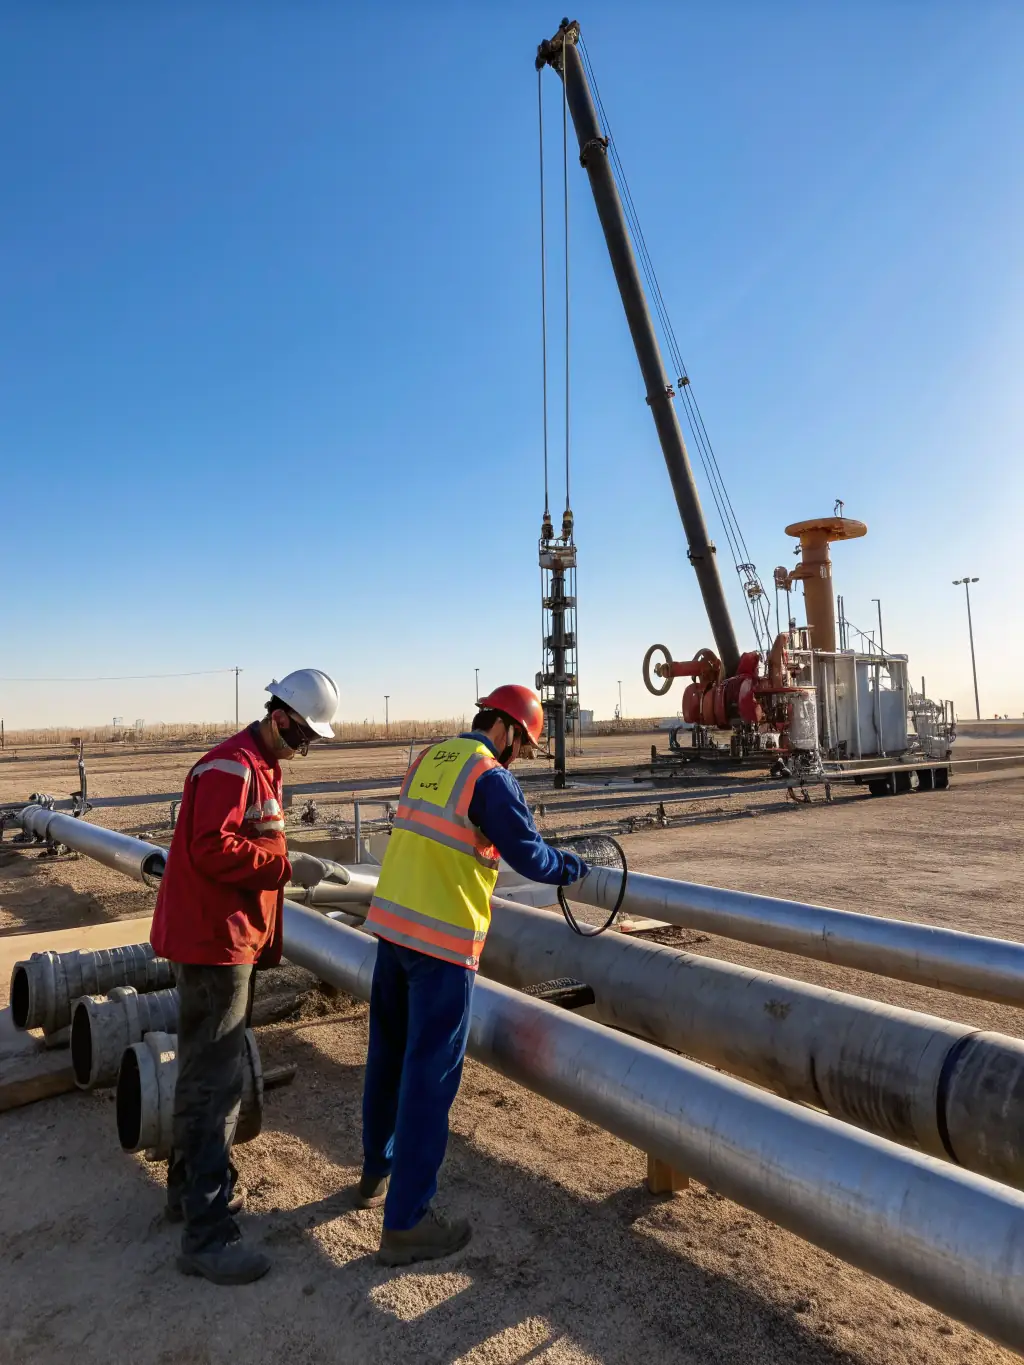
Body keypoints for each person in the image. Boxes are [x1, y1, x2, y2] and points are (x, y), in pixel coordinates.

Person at [359, 684, 589, 1266]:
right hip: (440, 943)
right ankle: (407, 1223)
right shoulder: (489, 776)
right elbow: (530, 857)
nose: (520, 757)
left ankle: (375, 1171)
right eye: (525, 745)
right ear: (508, 730)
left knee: (388, 1054)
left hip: (392, 928)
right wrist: (572, 865)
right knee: (429, 1076)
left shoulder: (430, 759)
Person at [151, 668, 342, 1285]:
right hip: (215, 944)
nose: (306, 746)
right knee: (215, 1082)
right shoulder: (233, 766)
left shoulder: (258, 767)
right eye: (305, 734)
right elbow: (212, 847)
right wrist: (287, 868)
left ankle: (189, 1192)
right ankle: (207, 1238)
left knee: (204, 1073)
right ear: (281, 716)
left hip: (224, 938)